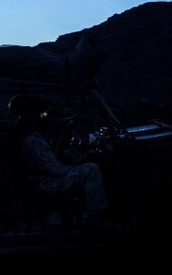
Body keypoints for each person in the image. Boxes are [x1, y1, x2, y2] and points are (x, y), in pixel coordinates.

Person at [9, 94, 111, 223]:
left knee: (82, 166)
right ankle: (98, 218)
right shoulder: (32, 140)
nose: (44, 117)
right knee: (91, 169)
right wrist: (76, 166)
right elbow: (55, 170)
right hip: (44, 184)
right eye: (41, 113)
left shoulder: (27, 136)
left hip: (38, 181)